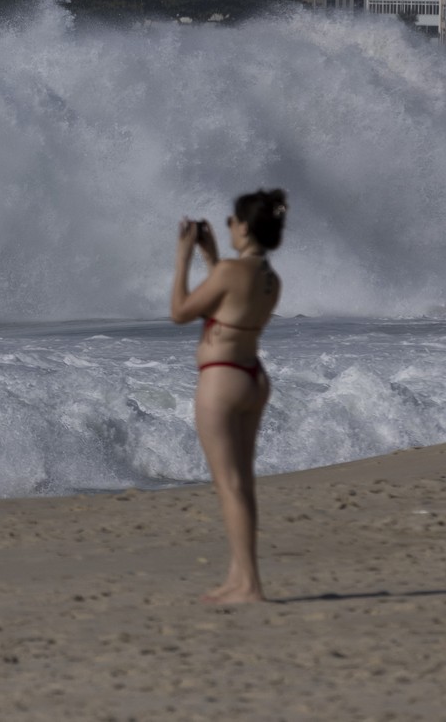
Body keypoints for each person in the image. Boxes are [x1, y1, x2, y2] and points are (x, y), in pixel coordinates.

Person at [170, 189, 287, 604]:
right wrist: (211, 257)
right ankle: (240, 577)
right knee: (242, 483)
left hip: (222, 379)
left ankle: (250, 585)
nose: (230, 228)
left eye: (232, 222)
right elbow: (228, 303)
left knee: (230, 485)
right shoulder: (270, 278)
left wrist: (184, 256)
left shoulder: (231, 272)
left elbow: (181, 311)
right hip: (253, 376)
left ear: (244, 226)